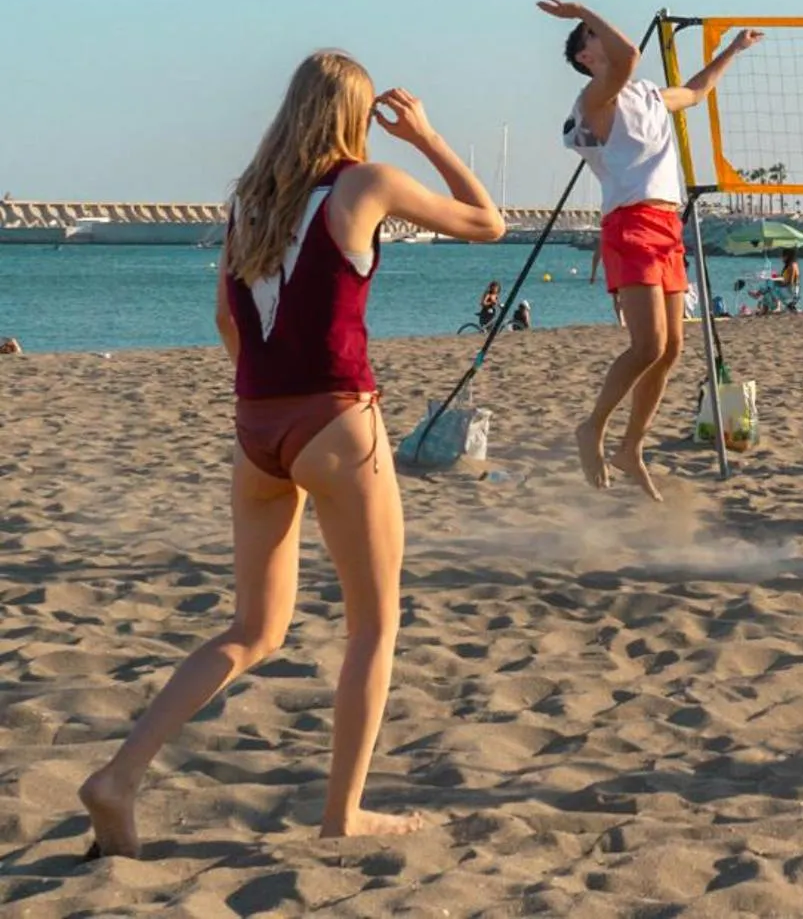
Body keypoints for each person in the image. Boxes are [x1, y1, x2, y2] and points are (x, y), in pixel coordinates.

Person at [78, 53, 505, 858]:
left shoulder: (248, 202)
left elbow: (227, 325)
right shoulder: (363, 184)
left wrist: (271, 394)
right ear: (349, 117)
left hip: (256, 430)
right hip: (338, 420)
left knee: (251, 628)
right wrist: (428, 136)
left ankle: (121, 775)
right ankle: (344, 811)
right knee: (374, 624)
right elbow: (489, 224)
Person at [547, 0, 763, 499]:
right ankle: (592, 427)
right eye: (591, 37)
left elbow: (696, 89)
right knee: (646, 345)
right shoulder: (596, 98)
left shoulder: (646, 95)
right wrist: (581, 10)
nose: (604, 39)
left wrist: (733, 48)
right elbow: (626, 56)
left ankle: (631, 447)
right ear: (586, 57)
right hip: (631, 222)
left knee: (670, 351)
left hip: (668, 222)